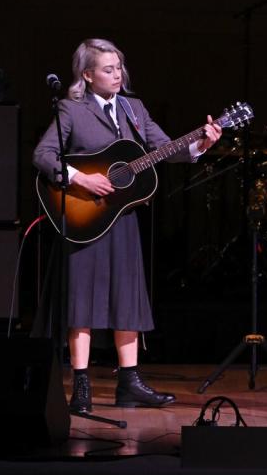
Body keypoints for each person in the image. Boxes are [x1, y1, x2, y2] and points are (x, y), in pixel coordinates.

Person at [33, 38, 221, 412]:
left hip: (123, 218)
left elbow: (167, 149)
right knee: (82, 302)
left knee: (128, 299)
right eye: (107, 69)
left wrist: (202, 144)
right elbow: (43, 155)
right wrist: (80, 179)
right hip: (86, 215)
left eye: (119, 67)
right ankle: (81, 386)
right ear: (87, 75)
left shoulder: (134, 108)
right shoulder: (71, 109)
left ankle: (130, 383)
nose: (117, 75)